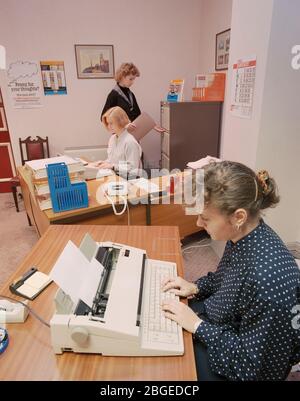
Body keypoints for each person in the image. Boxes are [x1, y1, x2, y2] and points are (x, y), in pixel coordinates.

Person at [162, 161, 300, 381]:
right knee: (166, 320)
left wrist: (197, 326)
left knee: (170, 369)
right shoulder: (244, 235)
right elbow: (226, 279)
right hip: (227, 326)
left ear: (238, 217)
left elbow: (254, 370)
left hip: (245, 366)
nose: (198, 222)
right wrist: (196, 287)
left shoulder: (266, 284)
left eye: (205, 218)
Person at [101, 62, 164, 134]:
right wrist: (124, 127)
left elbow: (138, 115)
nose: (133, 82)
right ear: (122, 77)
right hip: (121, 136)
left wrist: (152, 126)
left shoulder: (131, 94)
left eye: (134, 79)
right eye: (131, 79)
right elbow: (104, 118)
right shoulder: (113, 95)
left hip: (133, 134)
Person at [94, 106, 142, 174]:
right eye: (108, 123)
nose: (109, 126)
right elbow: (112, 160)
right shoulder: (112, 139)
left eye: (111, 123)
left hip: (129, 180)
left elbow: (133, 168)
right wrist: (104, 163)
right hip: (115, 176)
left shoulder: (130, 142)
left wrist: (113, 166)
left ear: (121, 121)